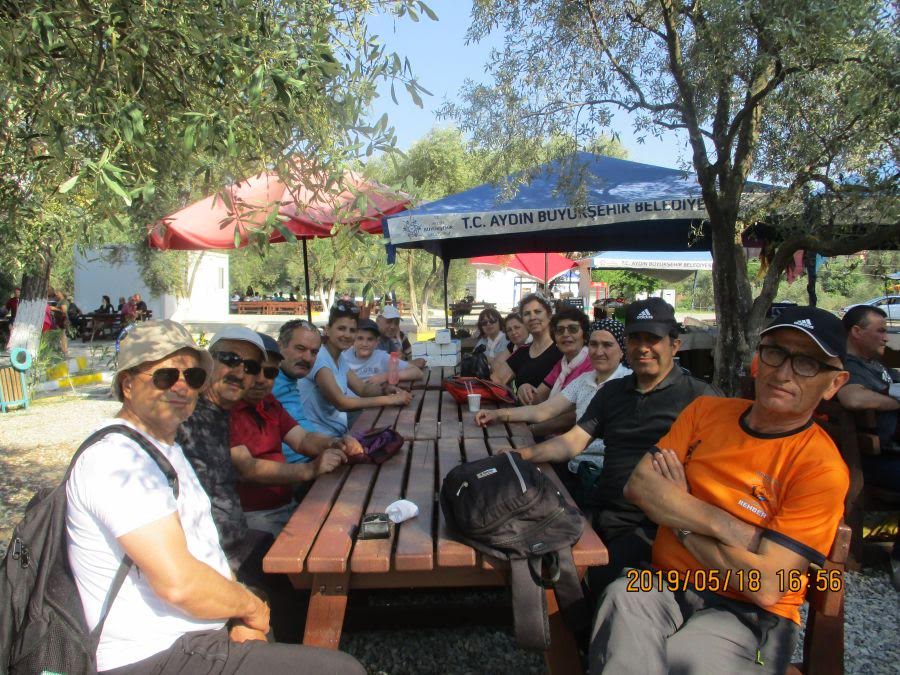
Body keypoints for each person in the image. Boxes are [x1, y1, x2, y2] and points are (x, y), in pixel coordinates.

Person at [65, 319, 364, 674]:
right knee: (341, 669)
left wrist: (242, 606)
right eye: (165, 376)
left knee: (298, 611)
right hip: (154, 651)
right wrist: (249, 608)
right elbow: (179, 583)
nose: (181, 387)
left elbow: (204, 543)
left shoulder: (168, 444)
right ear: (127, 385)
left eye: (192, 376)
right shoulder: (118, 460)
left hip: (196, 626)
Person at [590, 306, 851, 674]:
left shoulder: (820, 467)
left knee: (682, 660)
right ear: (758, 360)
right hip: (663, 583)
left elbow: (765, 585)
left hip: (749, 614)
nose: (783, 372)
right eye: (775, 353)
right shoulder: (705, 412)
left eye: (807, 363)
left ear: (834, 383)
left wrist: (680, 518)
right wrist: (727, 526)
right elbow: (640, 485)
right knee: (621, 597)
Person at [509, 298, 717, 591]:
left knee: (585, 581)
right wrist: (521, 454)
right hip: (602, 509)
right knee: (535, 548)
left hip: (655, 525)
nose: (643, 347)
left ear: (675, 345)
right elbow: (573, 441)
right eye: (635, 338)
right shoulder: (613, 391)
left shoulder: (701, 398)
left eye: (652, 339)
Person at [230, 332, 354, 536]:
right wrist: (310, 469)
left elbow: (302, 439)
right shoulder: (228, 409)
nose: (261, 379)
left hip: (286, 505)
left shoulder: (268, 402)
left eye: (270, 372)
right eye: (254, 369)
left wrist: (335, 443)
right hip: (253, 518)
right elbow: (248, 469)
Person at [477, 319, 631, 478]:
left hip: (602, 473)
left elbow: (572, 440)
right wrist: (498, 414)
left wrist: (521, 452)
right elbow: (542, 410)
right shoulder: (585, 379)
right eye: (594, 344)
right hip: (576, 465)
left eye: (607, 345)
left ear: (622, 351)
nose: (598, 351)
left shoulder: (626, 384)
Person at [176, 325, 268, 576]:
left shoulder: (223, 414)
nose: (239, 372)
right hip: (206, 560)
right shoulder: (183, 415)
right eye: (230, 359)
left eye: (250, 367)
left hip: (236, 544)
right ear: (208, 362)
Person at [837, 304, 900, 589]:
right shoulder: (848, 367)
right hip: (873, 461)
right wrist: (894, 402)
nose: (886, 337)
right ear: (856, 332)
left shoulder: (876, 365)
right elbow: (852, 399)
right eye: (881, 331)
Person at [299, 302, 412, 436]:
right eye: (341, 328)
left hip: (339, 433)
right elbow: (342, 403)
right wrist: (392, 400)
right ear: (327, 330)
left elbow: (362, 389)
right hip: (318, 438)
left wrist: (385, 390)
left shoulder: (338, 358)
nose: (347, 335)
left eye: (352, 330)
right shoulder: (320, 359)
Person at [491, 293, 562, 404]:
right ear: (523, 320)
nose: (532, 317)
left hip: (550, 413)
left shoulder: (560, 351)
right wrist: (514, 395)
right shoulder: (522, 351)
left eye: (537, 312)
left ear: (549, 315)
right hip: (520, 413)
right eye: (527, 314)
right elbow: (495, 379)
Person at [529, 306, 594, 405]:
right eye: (560, 330)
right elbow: (537, 397)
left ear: (585, 335)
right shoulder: (562, 365)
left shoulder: (592, 364)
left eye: (573, 329)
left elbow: (573, 411)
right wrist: (525, 388)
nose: (565, 334)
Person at [343, 318, 423, 384]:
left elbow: (417, 372)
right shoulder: (343, 358)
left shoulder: (380, 357)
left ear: (376, 342)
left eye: (370, 339)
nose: (364, 344)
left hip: (376, 396)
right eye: (360, 338)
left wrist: (386, 376)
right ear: (353, 339)